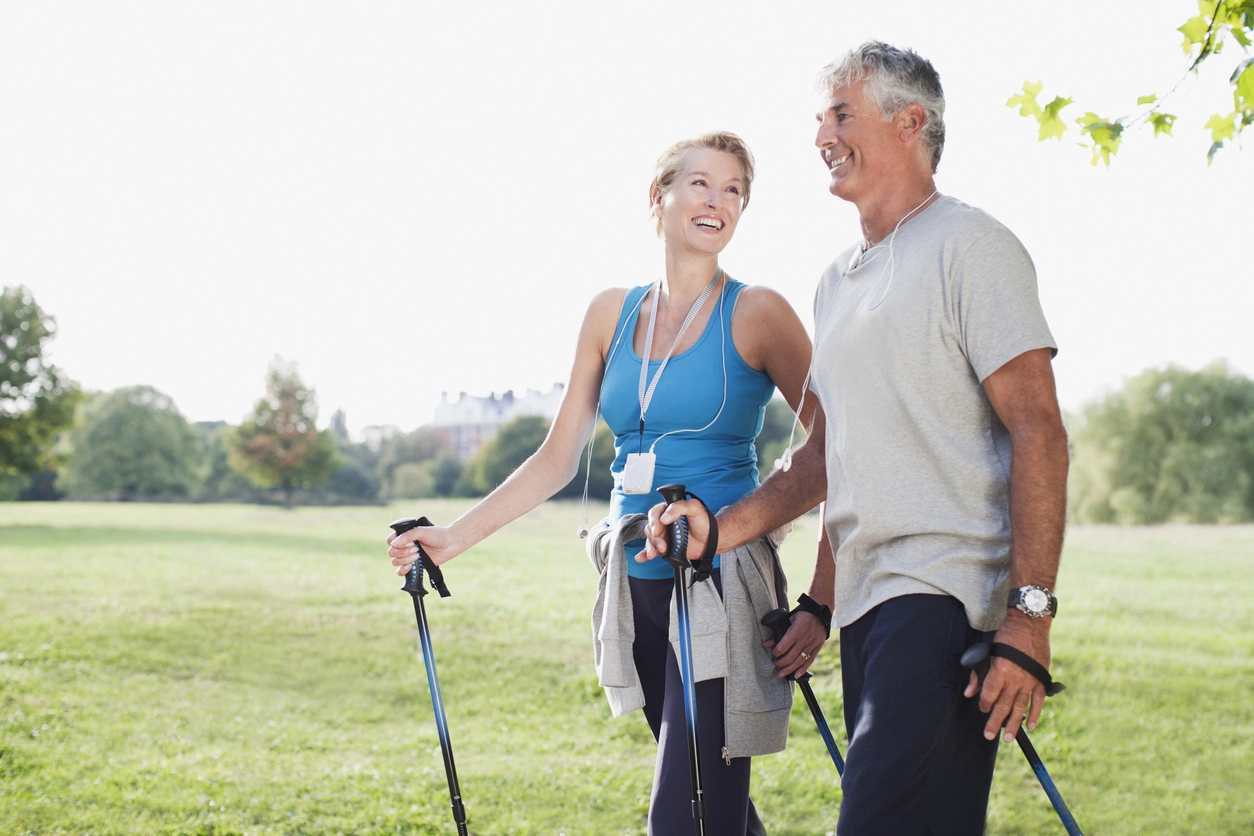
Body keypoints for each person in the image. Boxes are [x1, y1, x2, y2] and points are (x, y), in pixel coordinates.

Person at [645, 42, 1070, 835]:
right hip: (870, 608)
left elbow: (1038, 428)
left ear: (910, 122)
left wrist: (1030, 617)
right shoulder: (837, 281)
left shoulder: (972, 246)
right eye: (819, 120)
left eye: (841, 114)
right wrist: (730, 539)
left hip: (945, 595)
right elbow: (826, 459)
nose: (821, 137)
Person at [386, 131, 814, 835]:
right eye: (701, 183)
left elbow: (833, 443)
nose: (718, 201)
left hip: (716, 583)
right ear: (659, 196)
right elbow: (558, 457)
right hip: (632, 579)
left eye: (734, 189)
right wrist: (453, 539)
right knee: (715, 807)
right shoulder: (610, 313)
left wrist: (765, 535)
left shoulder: (758, 311)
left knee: (685, 814)